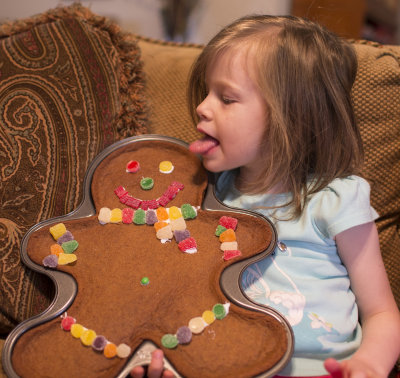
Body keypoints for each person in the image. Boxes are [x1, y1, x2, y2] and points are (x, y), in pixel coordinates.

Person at [131, 15, 400, 377]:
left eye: (226, 98)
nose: (202, 107)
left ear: (290, 118)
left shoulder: (335, 199)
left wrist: (369, 364)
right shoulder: (202, 194)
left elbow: (382, 312)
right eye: (207, 92)